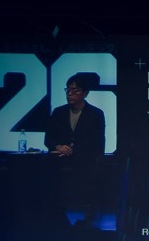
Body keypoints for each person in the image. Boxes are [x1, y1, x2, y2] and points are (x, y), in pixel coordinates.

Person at [44, 74, 106, 221]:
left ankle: (88, 208)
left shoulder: (96, 114)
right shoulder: (58, 112)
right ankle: (50, 208)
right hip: (60, 155)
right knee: (45, 164)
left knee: (87, 165)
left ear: (85, 93)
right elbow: (48, 138)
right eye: (68, 90)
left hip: (84, 156)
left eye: (76, 90)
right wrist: (59, 146)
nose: (70, 94)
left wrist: (72, 150)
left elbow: (97, 142)